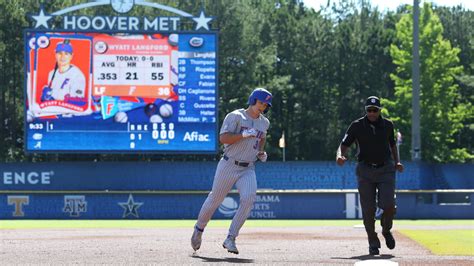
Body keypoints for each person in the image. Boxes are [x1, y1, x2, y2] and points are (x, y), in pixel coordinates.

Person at [191, 88, 272, 254]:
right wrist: (242, 135)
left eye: (265, 104)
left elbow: (262, 137)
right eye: (261, 102)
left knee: (249, 199)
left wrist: (260, 152)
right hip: (229, 164)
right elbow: (223, 138)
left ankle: (231, 238)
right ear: (253, 100)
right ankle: (199, 229)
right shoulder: (236, 116)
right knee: (215, 199)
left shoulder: (264, 122)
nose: (263, 106)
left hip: (248, 167)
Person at [336, 96, 404, 255]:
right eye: (369, 110)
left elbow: (393, 145)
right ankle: (373, 242)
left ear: (380, 111)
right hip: (365, 170)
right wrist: (339, 156)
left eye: (375, 110)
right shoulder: (357, 125)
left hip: (386, 169)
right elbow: (344, 144)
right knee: (368, 210)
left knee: (389, 206)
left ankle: (386, 230)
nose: (372, 113)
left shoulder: (388, 125)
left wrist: (397, 162)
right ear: (365, 110)